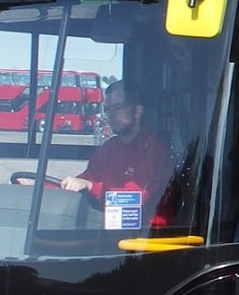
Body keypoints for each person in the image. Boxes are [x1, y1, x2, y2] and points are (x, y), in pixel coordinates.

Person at [61, 80, 171, 217]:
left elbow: (135, 199)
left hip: (145, 234)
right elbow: (82, 181)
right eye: (108, 109)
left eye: (118, 107)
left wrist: (91, 187)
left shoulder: (154, 151)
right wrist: (37, 185)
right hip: (107, 230)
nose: (111, 114)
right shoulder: (108, 149)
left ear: (137, 111)